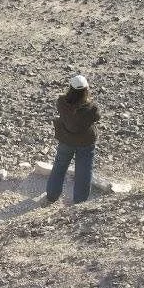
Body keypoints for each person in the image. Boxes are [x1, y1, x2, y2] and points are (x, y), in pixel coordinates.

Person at [45, 74, 100, 204]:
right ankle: (79, 202)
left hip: (66, 140)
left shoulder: (61, 102)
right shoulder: (91, 108)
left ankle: (51, 196)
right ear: (86, 90)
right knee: (84, 172)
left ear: (70, 88)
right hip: (86, 143)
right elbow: (97, 117)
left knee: (59, 167)